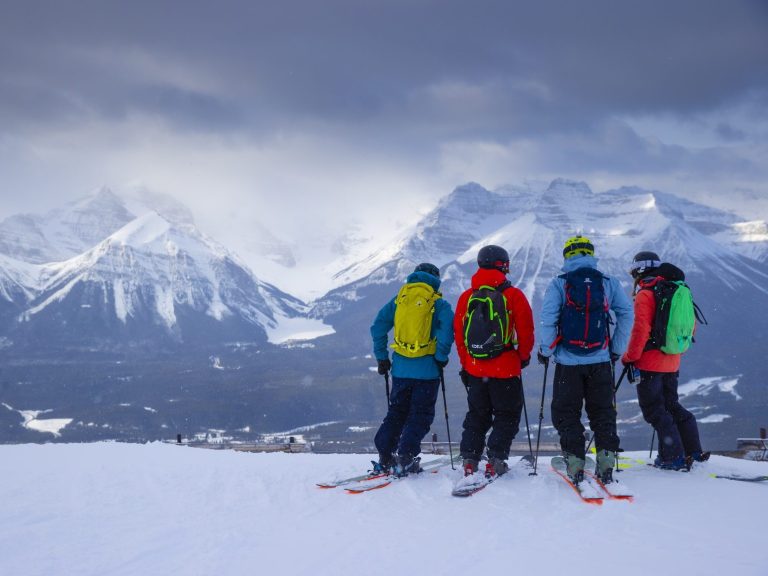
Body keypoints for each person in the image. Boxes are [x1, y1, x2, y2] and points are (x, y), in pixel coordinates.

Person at [537, 236, 633, 485]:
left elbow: (548, 320)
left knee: (566, 412)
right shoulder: (607, 282)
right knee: (602, 412)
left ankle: (575, 461)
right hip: (600, 360)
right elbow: (625, 313)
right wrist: (617, 349)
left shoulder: (560, 283)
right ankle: (606, 460)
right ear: (591, 254)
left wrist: (545, 351)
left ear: (567, 256)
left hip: (568, 364)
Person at [622, 251, 708, 470]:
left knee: (654, 410)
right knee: (671, 405)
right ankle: (693, 451)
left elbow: (641, 330)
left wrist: (630, 357)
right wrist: (674, 350)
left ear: (638, 270)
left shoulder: (646, 293)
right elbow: (690, 327)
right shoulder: (677, 289)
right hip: (672, 359)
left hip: (650, 362)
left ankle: (672, 458)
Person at [453, 245, 534, 477]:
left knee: (477, 415)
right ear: (504, 265)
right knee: (506, 415)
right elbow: (526, 332)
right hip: (506, 369)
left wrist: (467, 363)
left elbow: (460, 335)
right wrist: (522, 357)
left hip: (475, 370)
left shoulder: (467, 297)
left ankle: (470, 458)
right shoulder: (513, 295)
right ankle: (496, 458)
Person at [370, 262, 454, 476]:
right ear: (436, 279)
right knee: (420, 415)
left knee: (396, 412)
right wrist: (441, 357)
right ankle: (406, 457)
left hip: (400, 371)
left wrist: (382, 358)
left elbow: (378, 326)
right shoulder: (439, 303)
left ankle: (385, 455)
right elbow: (446, 334)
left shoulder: (399, 300)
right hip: (427, 372)